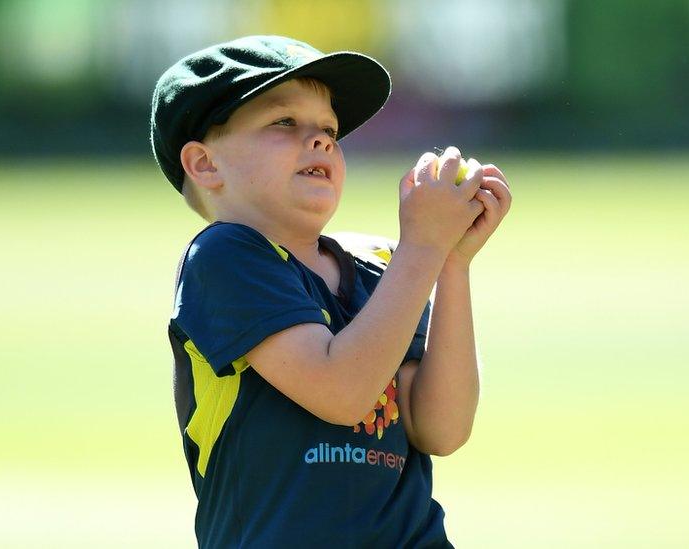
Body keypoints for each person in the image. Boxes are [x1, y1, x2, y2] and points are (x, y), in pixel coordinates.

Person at [150, 35, 511, 548]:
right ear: (205, 165)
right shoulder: (223, 257)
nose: (319, 140)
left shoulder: (381, 266)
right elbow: (341, 392)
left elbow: (441, 429)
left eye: (329, 130)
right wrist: (424, 249)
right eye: (284, 122)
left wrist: (451, 262)